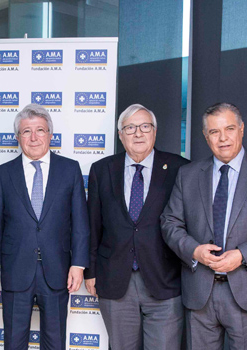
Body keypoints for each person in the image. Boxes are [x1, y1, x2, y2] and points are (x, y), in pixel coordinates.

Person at [161, 102, 247, 349]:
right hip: (200, 292)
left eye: (230, 129)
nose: (223, 138)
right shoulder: (188, 175)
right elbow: (170, 222)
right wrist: (194, 251)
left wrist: (243, 255)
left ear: (242, 129)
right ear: (206, 136)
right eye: (214, 132)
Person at [0, 104, 89, 350]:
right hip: (15, 271)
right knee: (13, 343)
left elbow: (81, 223)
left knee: (55, 343)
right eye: (26, 131)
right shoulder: (3, 173)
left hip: (58, 272)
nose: (34, 137)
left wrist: (78, 264)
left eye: (40, 130)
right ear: (18, 137)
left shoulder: (70, 169)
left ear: (50, 135)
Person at [84, 104, 189, 349]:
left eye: (145, 127)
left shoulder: (180, 168)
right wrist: (90, 270)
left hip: (165, 279)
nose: (138, 133)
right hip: (115, 278)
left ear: (154, 132)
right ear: (120, 135)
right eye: (130, 128)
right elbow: (93, 223)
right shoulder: (102, 169)